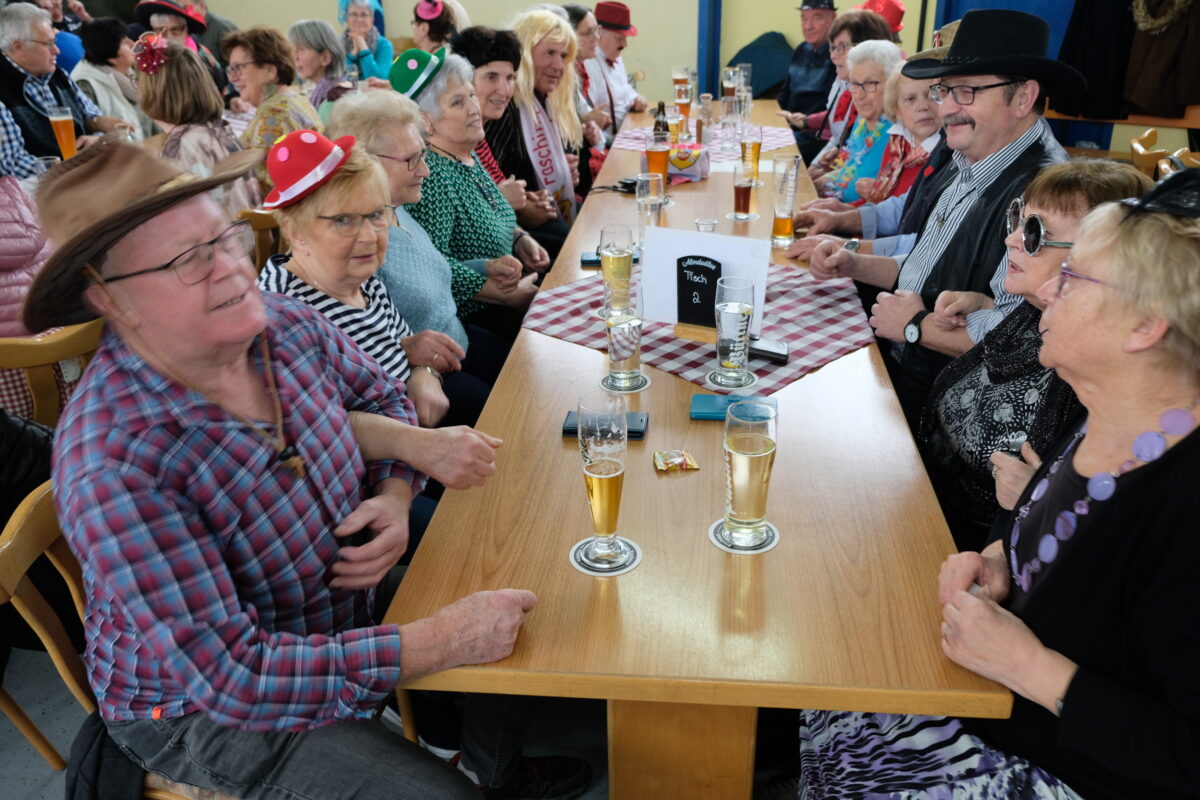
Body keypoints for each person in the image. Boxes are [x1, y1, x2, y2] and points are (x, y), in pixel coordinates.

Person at [22, 136, 569, 800]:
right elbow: (234, 676)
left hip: (330, 605)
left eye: (224, 238)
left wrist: (397, 495)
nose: (231, 268)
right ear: (108, 297)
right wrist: (437, 641)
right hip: (201, 712)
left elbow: (381, 393)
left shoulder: (275, 323)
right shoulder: (114, 459)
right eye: (190, 260)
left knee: (503, 582)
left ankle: (491, 769)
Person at [800, 167, 1200, 800]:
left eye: (1072, 278)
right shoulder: (1105, 413)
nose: (1045, 292)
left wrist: (1032, 667)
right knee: (830, 655)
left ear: (1144, 326)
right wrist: (994, 560)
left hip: (1068, 771)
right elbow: (1031, 520)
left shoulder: (1183, 501)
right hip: (998, 707)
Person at [804, 9, 1080, 426]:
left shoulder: (1043, 193)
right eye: (944, 90)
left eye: (965, 91)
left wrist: (915, 326)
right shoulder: (965, 152)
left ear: (1023, 97)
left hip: (942, 412)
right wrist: (855, 262)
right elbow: (927, 262)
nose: (946, 108)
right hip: (902, 369)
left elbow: (1019, 336)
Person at [918, 160, 1151, 551]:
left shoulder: (1086, 373)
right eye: (1017, 220)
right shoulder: (1030, 313)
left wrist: (1038, 500)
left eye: (1034, 233)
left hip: (958, 548)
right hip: (923, 501)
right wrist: (984, 304)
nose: (1011, 239)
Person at [258, 130, 481, 432]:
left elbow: (404, 351)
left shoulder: (361, 281)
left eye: (376, 214)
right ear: (295, 232)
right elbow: (324, 434)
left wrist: (424, 373)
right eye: (342, 220)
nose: (368, 237)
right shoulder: (287, 315)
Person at [329, 89, 512, 389]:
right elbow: (360, 346)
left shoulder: (398, 208)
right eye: (412, 160)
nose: (426, 170)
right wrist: (419, 370)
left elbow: (429, 273)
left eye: (423, 154)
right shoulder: (359, 244)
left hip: (460, 341)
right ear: (366, 162)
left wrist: (483, 267)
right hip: (432, 379)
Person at [392, 49, 545, 341]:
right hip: (472, 315)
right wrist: (506, 296)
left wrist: (519, 237)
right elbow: (434, 264)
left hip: (505, 288)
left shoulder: (464, 155)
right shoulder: (432, 176)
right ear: (427, 121)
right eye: (458, 102)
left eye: (472, 95)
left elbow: (490, 212)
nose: (475, 108)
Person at [482, 9, 581, 259]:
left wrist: (563, 171)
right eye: (550, 53)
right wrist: (523, 205)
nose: (559, 65)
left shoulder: (542, 100)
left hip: (536, 213)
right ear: (525, 51)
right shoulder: (506, 107)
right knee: (578, 247)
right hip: (509, 224)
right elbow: (489, 178)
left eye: (563, 55)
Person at [0, 3, 130, 179]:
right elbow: (13, 165)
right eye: (48, 44)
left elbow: (90, 114)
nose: (57, 50)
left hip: (88, 176)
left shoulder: (56, 74)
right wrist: (76, 165)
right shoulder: (4, 90)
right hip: (46, 195)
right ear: (17, 46)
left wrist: (97, 139)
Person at [136, 36, 261, 217]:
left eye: (138, 83)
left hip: (226, 242)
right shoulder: (218, 129)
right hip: (249, 238)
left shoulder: (182, 147)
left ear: (152, 92)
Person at [221, 25, 322, 194]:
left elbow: (265, 192)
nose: (232, 77)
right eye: (230, 69)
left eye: (239, 67)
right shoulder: (296, 98)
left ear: (269, 70)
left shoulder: (272, 116)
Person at [448, 25, 527, 213]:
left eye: (510, 78)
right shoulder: (449, 139)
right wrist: (501, 199)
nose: (504, 90)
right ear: (462, 79)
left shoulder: (479, 133)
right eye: (492, 77)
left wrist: (526, 201)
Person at [811, 39, 900, 203]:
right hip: (835, 209)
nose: (859, 94)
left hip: (859, 222)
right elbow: (851, 170)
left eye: (870, 83)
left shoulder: (899, 132)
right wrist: (819, 183)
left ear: (891, 83)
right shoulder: (862, 120)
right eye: (854, 83)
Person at [845, 64, 939, 206]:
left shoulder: (944, 154)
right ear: (897, 110)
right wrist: (842, 210)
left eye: (931, 96)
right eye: (910, 99)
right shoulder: (897, 142)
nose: (923, 106)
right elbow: (876, 200)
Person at [71, 17, 153, 140]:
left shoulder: (130, 70)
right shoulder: (85, 84)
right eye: (125, 43)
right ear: (111, 57)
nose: (132, 43)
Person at [775, 0, 837, 160]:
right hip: (790, 126)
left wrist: (795, 121)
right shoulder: (801, 50)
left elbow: (829, 105)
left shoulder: (837, 56)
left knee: (769, 153)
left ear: (833, 19)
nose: (808, 26)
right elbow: (785, 93)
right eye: (804, 18)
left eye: (817, 17)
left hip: (815, 135)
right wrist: (774, 116)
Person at [582, 1, 645, 143]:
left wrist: (636, 99)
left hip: (625, 131)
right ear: (599, 34)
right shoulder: (588, 64)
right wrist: (616, 142)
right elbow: (590, 122)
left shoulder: (616, 57)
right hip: (607, 143)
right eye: (620, 38)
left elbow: (625, 91)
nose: (625, 45)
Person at [132, 0, 227, 95]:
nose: (168, 37)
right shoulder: (148, 60)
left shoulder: (202, 56)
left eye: (175, 30)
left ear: (186, 29)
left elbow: (220, 85)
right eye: (160, 30)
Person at [288, 18, 349, 121]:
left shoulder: (333, 100)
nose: (295, 57)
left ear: (325, 58)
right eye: (292, 49)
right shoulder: (321, 92)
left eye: (301, 50)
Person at [342, 0, 392, 80]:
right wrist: (354, 53)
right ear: (347, 19)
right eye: (354, 14)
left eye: (364, 15)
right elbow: (337, 78)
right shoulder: (338, 43)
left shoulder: (384, 45)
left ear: (372, 20)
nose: (359, 19)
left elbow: (380, 80)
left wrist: (363, 47)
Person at [186, 0, 236, 68]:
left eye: (186, 8)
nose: (183, 12)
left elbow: (235, 66)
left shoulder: (222, 28)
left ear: (202, 6)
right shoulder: (187, 29)